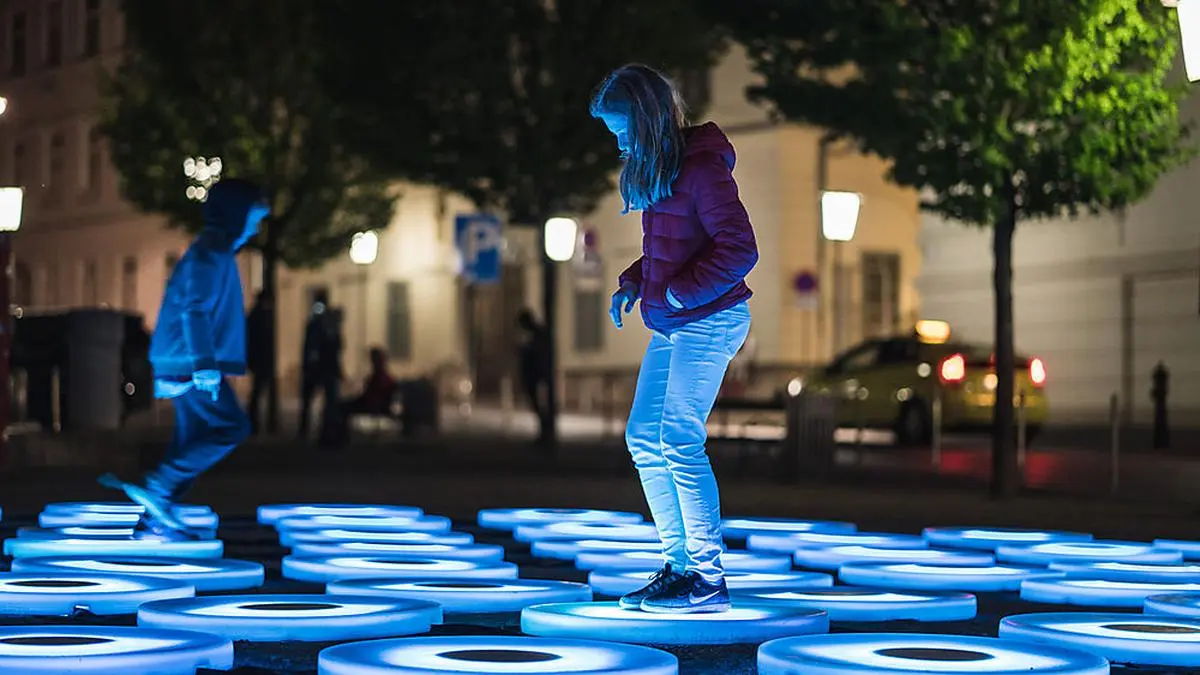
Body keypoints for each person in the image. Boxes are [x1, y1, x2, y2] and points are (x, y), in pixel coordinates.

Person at [592, 64, 758, 613]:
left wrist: (682, 295)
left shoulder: (702, 169)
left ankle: (707, 580)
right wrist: (634, 283)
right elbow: (672, 248)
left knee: (678, 438)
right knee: (644, 438)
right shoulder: (662, 169)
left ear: (646, 118)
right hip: (676, 321)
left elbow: (740, 250)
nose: (617, 142)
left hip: (710, 318)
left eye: (621, 129)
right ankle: (678, 566)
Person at [100, 179, 269, 540]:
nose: (256, 228)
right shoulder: (212, 252)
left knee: (191, 440)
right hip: (189, 361)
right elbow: (194, 309)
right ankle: (159, 487)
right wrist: (205, 363)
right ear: (235, 216)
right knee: (230, 427)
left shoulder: (215, 250)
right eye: (253, 219)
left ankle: (152, 522)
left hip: (184, 357)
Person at [298, 289, 343, 444]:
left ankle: (324, 430)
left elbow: (334, 345)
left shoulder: (319, 323)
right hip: (322, 368)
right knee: (319, 401)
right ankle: (321, 430)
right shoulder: (321, 323)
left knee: (321, 401)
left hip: (321, 367)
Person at [516, 308, 551, 435]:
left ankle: (545, 430)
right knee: (538, 403)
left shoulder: (537, 335)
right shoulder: (536, 335)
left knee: (540, 403)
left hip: (536, 374)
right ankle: (544, 430)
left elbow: (537, 355)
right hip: (535, 374)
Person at [245, 291, 272, 434]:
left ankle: (255, 422)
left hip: (260, 360)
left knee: (258, 391)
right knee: (258, 391)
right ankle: (253, 422)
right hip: (260, 360)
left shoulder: (256, 316)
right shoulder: (258, 317)